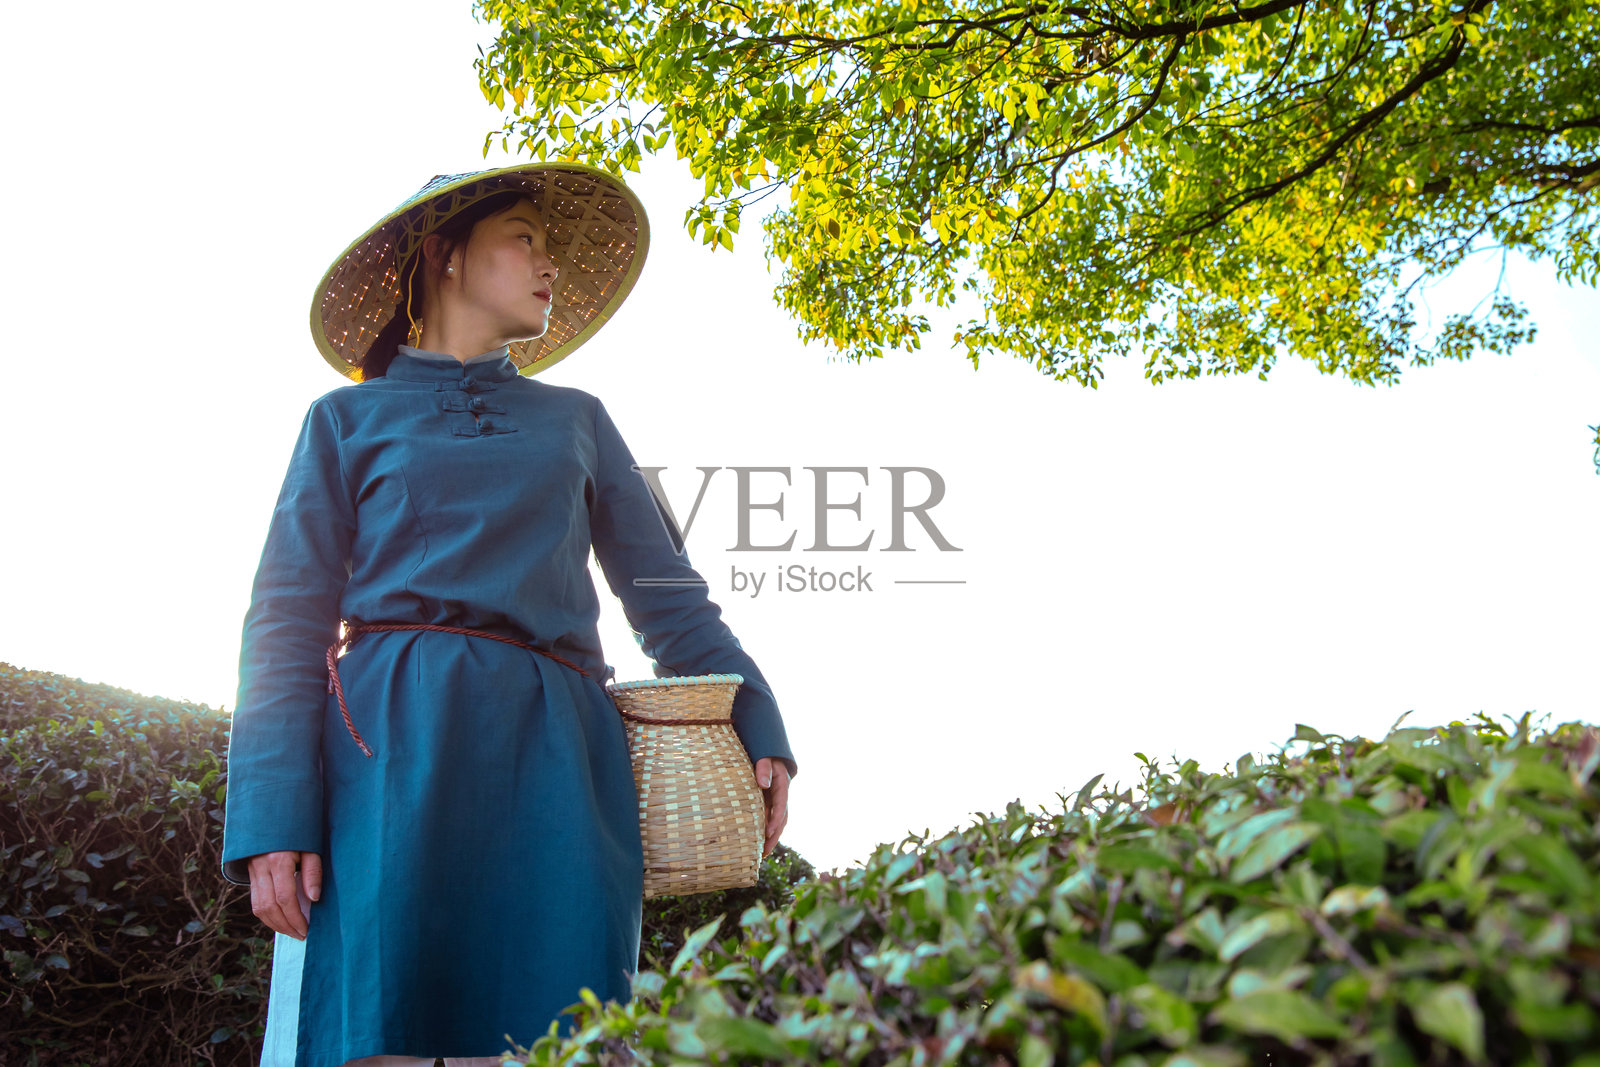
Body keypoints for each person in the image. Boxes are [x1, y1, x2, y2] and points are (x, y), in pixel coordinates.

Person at [219, 163, 798, 1067]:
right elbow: (286, 622)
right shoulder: (343, 419)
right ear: (446, 255)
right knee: (377, 1036)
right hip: (387, 765)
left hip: (562, 767)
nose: (547, 263)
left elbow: (669, 599)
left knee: (555, 1041)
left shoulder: (579, 419)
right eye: (525, 237)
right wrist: (271, 818)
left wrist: (756, 716)